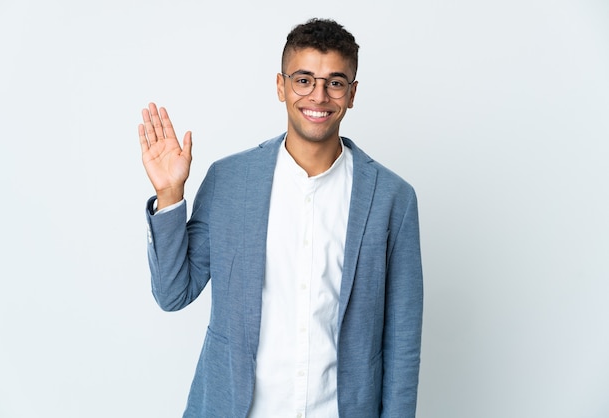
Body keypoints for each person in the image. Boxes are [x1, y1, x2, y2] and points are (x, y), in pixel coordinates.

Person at [138, 18, 423, 418]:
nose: (319, 96)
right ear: (280, 86)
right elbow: (173, 294)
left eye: (335, 82)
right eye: (303, 79)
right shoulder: (229, 181)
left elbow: (403, 340)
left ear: (352, 93)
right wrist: (170, 195)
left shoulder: (393, 198)